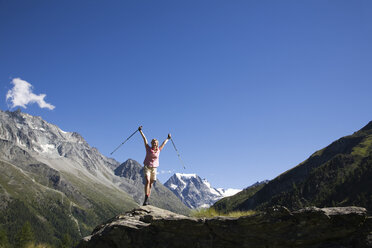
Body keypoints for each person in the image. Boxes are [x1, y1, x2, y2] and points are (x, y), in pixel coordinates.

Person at [138, 126, 171, 206]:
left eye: (156, 143)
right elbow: (144, 139)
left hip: (154, 168)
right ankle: (145, 199)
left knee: (151, 184)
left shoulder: (159, 150)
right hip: (147, 167)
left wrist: (168, 138)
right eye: (153, 143)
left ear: (157, 144)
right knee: (148, 181)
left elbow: (164, 143)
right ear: (152, 143)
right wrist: (140, 131)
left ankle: (147, 197)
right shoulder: (148, 148)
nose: (155, 144)